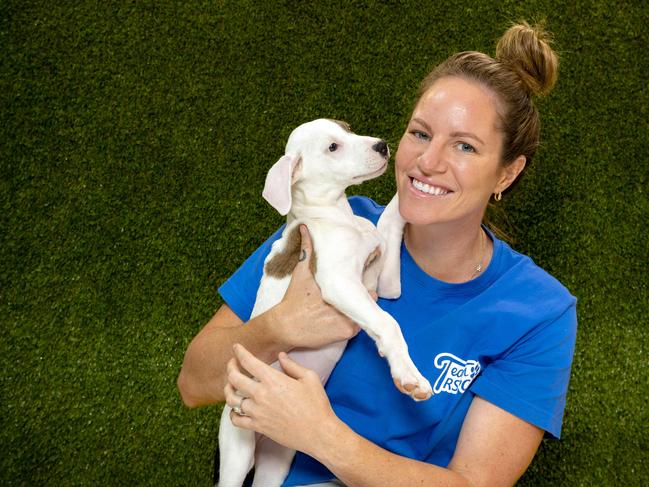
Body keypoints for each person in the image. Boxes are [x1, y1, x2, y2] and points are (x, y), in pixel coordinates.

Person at [177, 21, 577, 487]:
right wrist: (278, 327)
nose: (428, 162)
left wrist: (319, 435)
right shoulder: (330, 224)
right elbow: (193, 383)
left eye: (465, 146)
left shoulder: (538, 311)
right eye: (420, 134)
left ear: (506, 173)